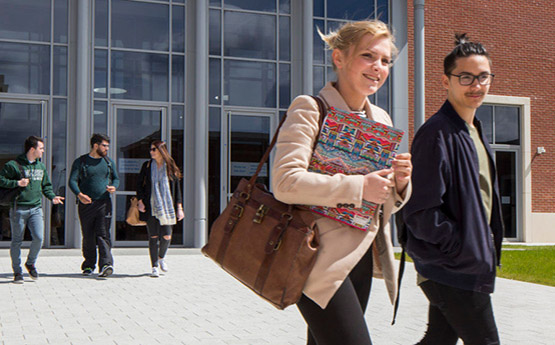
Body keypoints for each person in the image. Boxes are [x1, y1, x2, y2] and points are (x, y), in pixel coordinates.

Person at [271, 20, 412, 345]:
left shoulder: (382, 118)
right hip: (314, 257)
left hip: (360, 255)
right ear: (339, 58)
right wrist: (359, 186)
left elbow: (378, 201)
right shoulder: (310, 109)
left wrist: (399, 184)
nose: (378, 67)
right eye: (368, 56)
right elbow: (285, 182)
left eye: (385, 60)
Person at [402, 34, 504, 345]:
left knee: (438, 340)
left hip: (461, 262)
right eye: (466, 77)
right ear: (446, 81)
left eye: (483, 76)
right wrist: (460, 246)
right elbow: (420, 210)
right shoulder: (437, 133)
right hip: (453, 266)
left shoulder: (473, 129)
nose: (476, 85)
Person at [0, 136, 64, 283]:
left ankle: (30, 263)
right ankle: (17, 272)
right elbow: (1, 179)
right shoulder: (13, 165)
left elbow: (46, 186)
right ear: (32, 149)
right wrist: (17, 182)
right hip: (18, 209)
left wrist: (52, 197)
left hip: (36, 208)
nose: (43, 151)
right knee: (17, 240)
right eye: (41, 148)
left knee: (39, 238)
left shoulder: (40, 167)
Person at [68, 133, 119, 277]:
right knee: (88, 235)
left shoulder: (109, 162)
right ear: (95, 146)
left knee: (103, 234)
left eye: (108, 146)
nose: (107, 148)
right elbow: (72, 181)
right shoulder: (81, 162)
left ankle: (106, 265)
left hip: (104, 203)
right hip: (86, 204)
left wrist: (114, 187)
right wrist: (79, 194)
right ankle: (89, 265)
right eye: (104, 145)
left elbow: (116, 178)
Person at [136, 140, 184, 278]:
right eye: (151, 149)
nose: (151, 152)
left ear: (161, 151)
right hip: (151, 205)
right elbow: (139, 185)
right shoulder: (147, 166)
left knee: (167, 236)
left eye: (153, 149)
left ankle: (161, 257)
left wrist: (179, 207)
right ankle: (154, 266)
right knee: (153, 236)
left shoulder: (170, 167)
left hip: (167, 206)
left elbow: (177, 190)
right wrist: (140, 201)